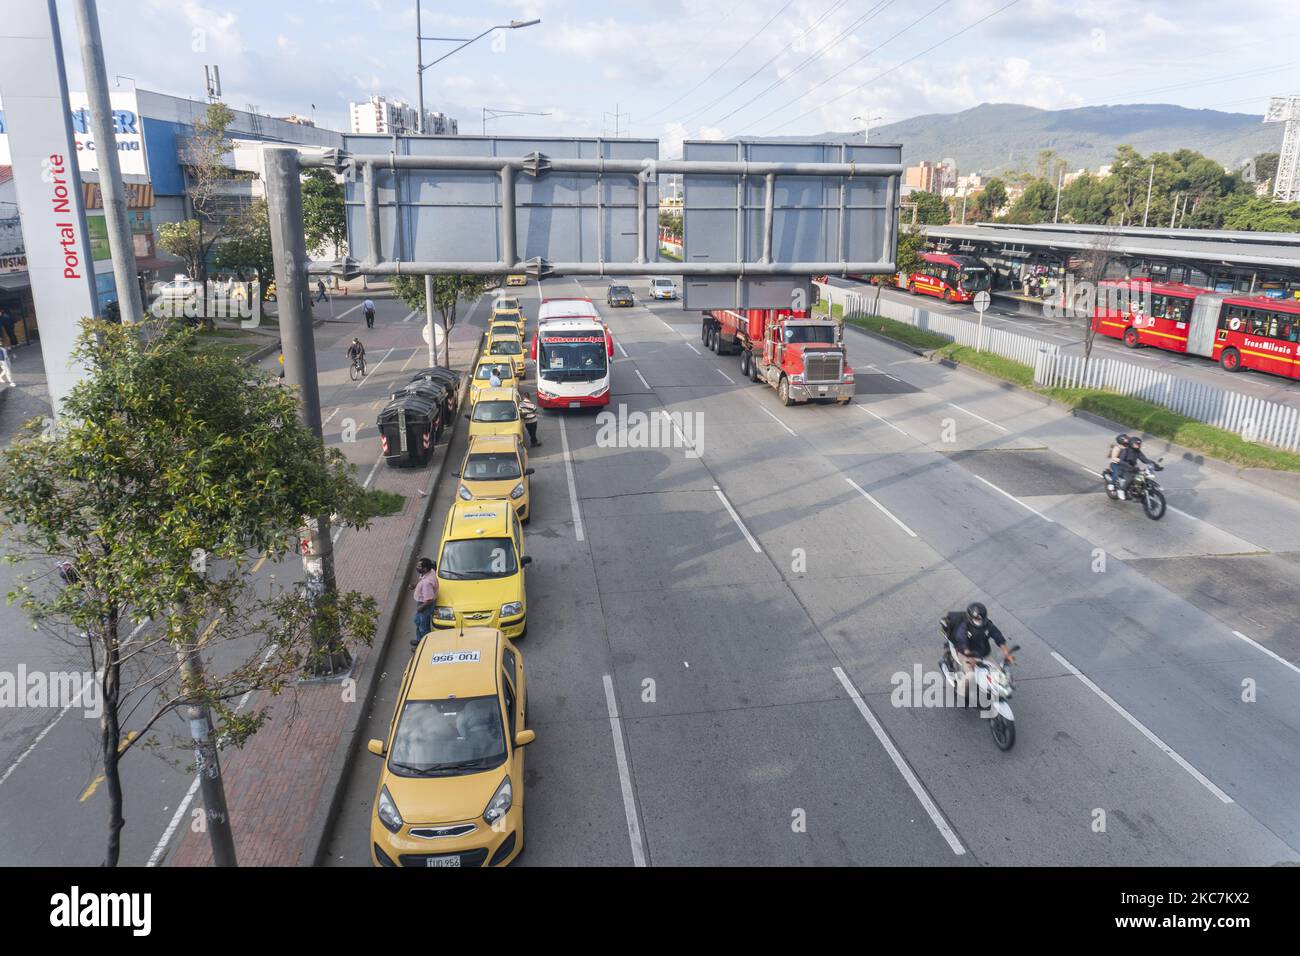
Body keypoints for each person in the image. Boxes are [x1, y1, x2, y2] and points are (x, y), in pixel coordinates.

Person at [946, 602, 1014, 697]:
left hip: (984, 654)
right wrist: (971, 658)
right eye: (977, 619)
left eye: (982, 619)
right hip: (966, 655)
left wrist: (1007, 654)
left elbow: (999, 638)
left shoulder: (988, 625)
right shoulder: (964, 627)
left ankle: (995, 690)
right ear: (970, 618)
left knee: (999, 675)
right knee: (971, 675)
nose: (980, 622)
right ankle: (960, 693)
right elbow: (963, 644)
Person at [1115, 435, 1161, 500]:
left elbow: (1145, 459)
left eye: (1139, 444)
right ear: (1131, 444)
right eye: (1136, 444)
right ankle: (1121, 490)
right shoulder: (1126, 450)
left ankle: (1137, 491)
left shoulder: (1137, 451)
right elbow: (1121, 461)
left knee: (1142, 477)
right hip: (1124, 469)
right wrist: (1128, 465)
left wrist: (1154, 465)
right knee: (1130, 478)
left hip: (1133, 469)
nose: (1138, 446)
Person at [412, 557, 438, 646]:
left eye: (419, 566)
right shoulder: (429, 572)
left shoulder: (427, 583)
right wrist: (415, 586)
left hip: (424, 605)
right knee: (418, 621)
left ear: (425, 568)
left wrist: (420, 608)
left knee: (424, 627)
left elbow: (429, 600)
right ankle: (419, 640)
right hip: (422, 603)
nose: (417, 567)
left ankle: (425, 645)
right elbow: (421, 581)